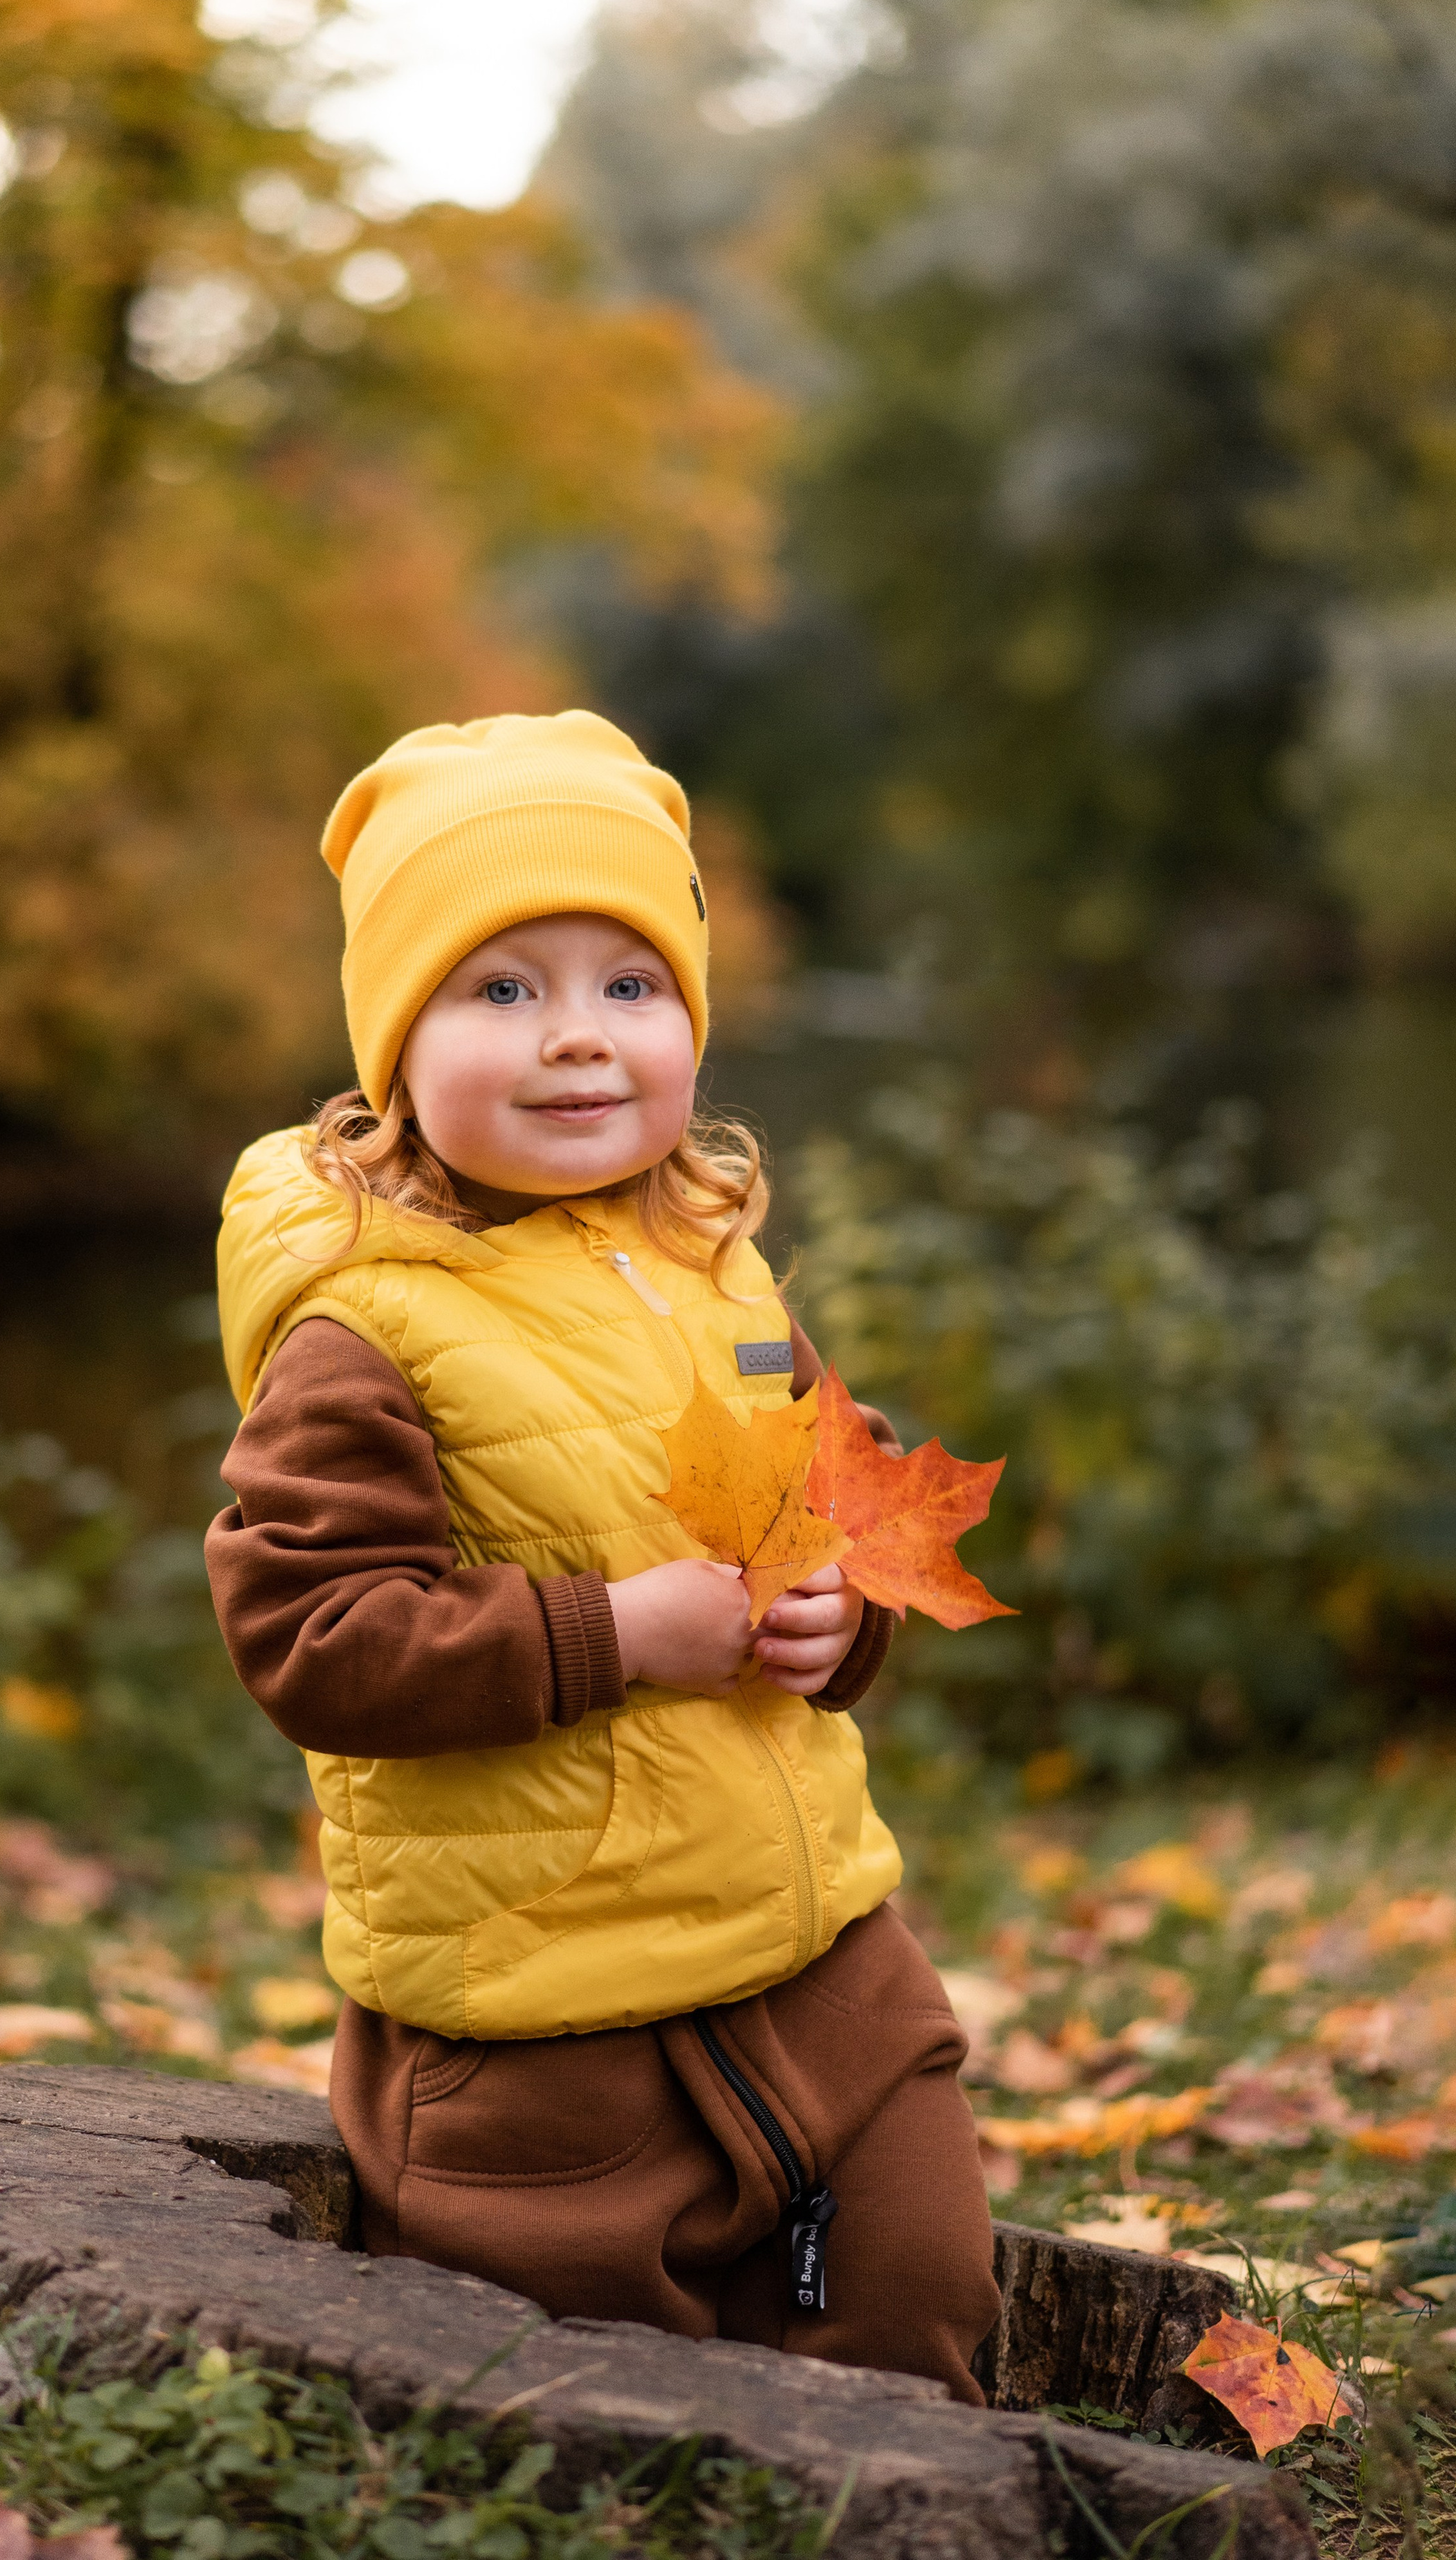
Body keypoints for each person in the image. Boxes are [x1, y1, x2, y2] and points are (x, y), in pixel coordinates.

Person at [207, 710, 999, 2397]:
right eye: (502, 991)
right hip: (538, 2028)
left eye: (628, 987)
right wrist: (609, 1636)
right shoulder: (360, 1329)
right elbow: (314, 1638)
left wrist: (829, 1621)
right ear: (392, 1043)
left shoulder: (713, 1266)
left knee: (917, 2305)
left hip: (818, 1968)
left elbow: (823, 1523)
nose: (577, 1040)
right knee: (593, 2406)